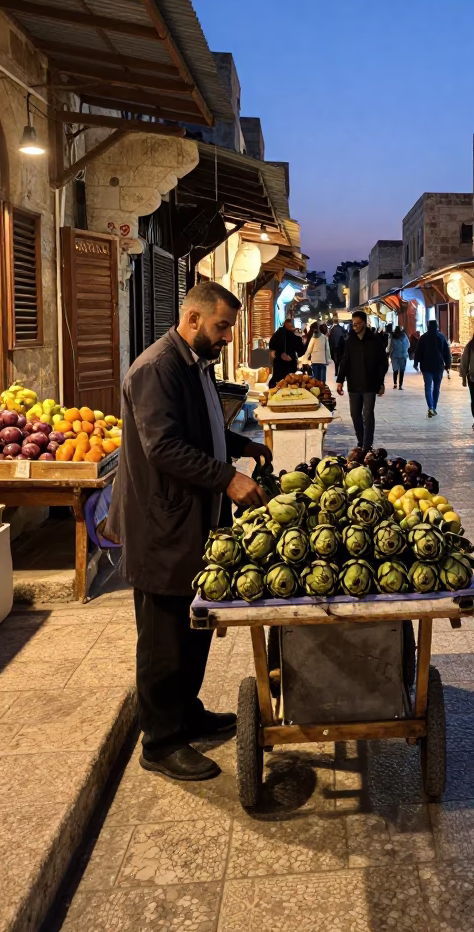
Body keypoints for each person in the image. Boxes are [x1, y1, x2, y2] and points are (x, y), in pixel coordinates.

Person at [107, 282, 272, 782]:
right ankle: (161, 742)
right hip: (161, 525)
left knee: (193, 624)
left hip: (191, 522)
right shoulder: (156, 368)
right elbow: (164, 447)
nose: (228, 337)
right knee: (163, 639)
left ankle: (187, 713)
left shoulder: (195, 363)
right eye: (222, 327)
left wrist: (241, 446)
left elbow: (201, 428)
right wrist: (228, 478)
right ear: (193, 318)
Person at [336, 309, 388, 449]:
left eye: (358, 324)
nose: (355, 326)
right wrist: (340, 380)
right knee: (355, 414)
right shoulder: (350, 341)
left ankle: (367, 444)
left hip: (370, 384)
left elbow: (383, 363)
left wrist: (380, 381)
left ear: (364, 323)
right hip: (353, 383)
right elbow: (345, 361)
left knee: (368, 414)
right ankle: (361, 440)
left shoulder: (375, 340)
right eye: (353, 324)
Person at [414, 319, 451, 417]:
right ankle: (433, 407)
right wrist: (448, 364)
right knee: (436, 388)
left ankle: (431, 407)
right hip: (438, 366)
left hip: (426, 366)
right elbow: (446, 352)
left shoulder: (423, 338)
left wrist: (416, 362)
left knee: (428, 387)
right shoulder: (441, 337)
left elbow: (418, 351)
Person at [268, 316, 306, 386]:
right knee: (289, 383)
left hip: (279, 363)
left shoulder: (277, 333)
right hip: (290, 363)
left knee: (279, 383)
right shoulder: (295, 336)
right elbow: (301, 351)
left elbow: (271, 345)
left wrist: (280, 353)